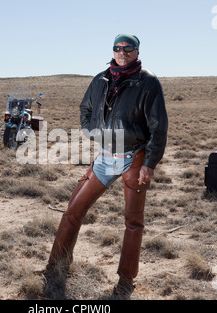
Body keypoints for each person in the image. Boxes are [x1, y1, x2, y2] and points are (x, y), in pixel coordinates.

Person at [45, 34, 168, 298]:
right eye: (117, 48)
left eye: (128, 48)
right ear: (112, 51)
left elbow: (159, 127)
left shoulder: (148, 82)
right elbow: (85, 110)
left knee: (133, 221)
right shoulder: (101, 79)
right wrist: (93, 132)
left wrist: (150, 163)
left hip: (133, 158)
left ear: (136, 51)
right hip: (104, 157)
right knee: (74, 209)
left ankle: (126, 280)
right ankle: (55, 267)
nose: (122, 52)